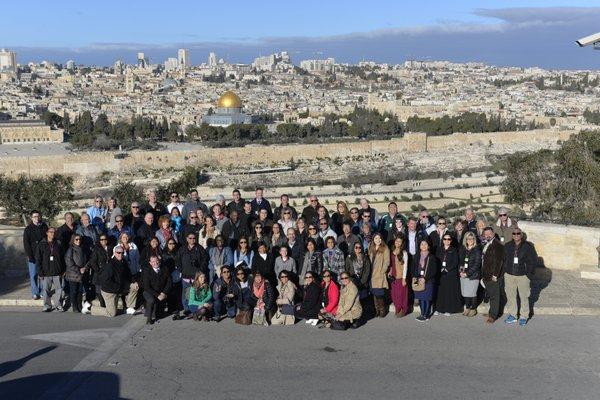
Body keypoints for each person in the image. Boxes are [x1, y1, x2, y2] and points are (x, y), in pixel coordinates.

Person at [503, 228, 537, 326]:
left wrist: (528, 274)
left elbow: (533, 261)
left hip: (523, 276)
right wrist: (505, 270)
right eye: (514, 233)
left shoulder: (528, 247)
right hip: (509, 275)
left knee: (524, 297)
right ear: (512, 235)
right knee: (510, 296)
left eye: (518, 233)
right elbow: (504, 259)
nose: (516, 235)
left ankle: (524, 316)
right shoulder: (507, 246)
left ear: (521, 235)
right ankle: (513, 315)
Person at [99, 245, 137, 317]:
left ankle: (129, 307)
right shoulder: (110, 265)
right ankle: (90, 308)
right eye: (118, 253)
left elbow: (129, 275)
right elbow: (105, 281)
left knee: (135, 286)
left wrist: (134, 281)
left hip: (119, 287)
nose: (120, 254)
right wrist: (117, 288)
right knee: (111, 313)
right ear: (114, 253)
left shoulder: (124, 262)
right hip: (109, 291)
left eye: (122, 253)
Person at [178, 233, 209, 316]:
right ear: (187, 239)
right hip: (186, 276)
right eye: (190, 238)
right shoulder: (182, 249)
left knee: (197, 293)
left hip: (196, 277)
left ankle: (195, 309)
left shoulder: (200, 248)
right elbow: (178, 261)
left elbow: (205, 260)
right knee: (185, 293)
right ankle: (186, 309)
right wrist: (182, 270)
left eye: (194, 238)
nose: (192, 240)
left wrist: (201, 270)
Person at [35, 227, 64, 312]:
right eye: (51, 232)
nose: (53, 234)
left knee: (59, 289)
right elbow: (38, 259)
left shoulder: (58, 243)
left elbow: (63, 257)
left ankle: (58, 305)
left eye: (54, 232)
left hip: (57, 271)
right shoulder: (41, 244)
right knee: (46, 290)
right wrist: (40, 272)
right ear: (47, 233)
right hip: (45, 272)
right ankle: (47, 306)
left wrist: (63, 270)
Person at [434, 233, 463, 315]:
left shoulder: (453, 250)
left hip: (450, 274)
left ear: (451, 241)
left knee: (449, 292)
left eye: (448, 239)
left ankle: (448, 309)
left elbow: (455, 261)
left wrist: (447, 269)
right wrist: (440, 269)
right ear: (442, 240)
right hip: (440, 274)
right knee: (440, 292)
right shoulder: (439, 249)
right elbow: (436, 260)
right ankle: (439, 309)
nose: (447, 241)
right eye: (445, 239)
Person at [481, 227, 505, 324]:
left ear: (493, 234)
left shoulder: (497, 245)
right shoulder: (488, 244)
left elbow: (499, 261)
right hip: (487, 274)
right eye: (485, 234)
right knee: (491, 294)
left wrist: (495, 275)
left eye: (489, 234)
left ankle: (493, 316)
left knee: (495, 295)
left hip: (493, 275)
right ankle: (492, 312)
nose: (487, 235)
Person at [23, 210, 47, 299]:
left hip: (43, 255)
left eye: (38, 216)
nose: (37, 218)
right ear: (31, 218)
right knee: (33, 275)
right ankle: (35, 292)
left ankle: (42, 291)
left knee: (42, 274)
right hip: (33, 255)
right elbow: (26, 244)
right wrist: (30, 256)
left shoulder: (44, 226)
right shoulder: (28, 229)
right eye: (34, 216)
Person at [412, 239, 438, 322]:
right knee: (420, 298)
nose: (423, 246)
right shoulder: (416, 256)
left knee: (426, 298)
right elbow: (413, 268)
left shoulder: (432, 257)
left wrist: (425, 278)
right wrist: (415, 278)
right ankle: (422, 313)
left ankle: (426, 315)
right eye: (422, 244)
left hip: (428, 281)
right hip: (418, 280)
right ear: (419, 246)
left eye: (425, 244)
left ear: (428, 246)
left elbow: (434, 270)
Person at [115, 232, 140, 314]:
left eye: (126, 236)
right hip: (124, 271)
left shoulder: (134, 245)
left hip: (133, 270)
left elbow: (137, 258)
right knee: (124, 289)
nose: (125, 238)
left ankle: (130, 306)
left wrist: (138, 270)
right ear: (120, 238)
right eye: (123, 237)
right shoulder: (117, 247)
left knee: (133, 287)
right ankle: (125, 306)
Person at [142, 255, 171, 324]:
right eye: (153, 261)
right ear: (150, 263)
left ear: (159, 261)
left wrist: (164, 293)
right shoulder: (147, 271)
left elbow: (169, 282)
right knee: (151, 300)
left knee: (160, 315)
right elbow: (146, 286)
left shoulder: (165, 269)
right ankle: (149, 319)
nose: (155, 263)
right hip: (149, 291)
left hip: (161, 292)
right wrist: (158, 295)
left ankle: (154, 312)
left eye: (157, 261)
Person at [64, 234, 89, 314]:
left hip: (81, 274)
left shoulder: (82, 249)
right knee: (74, 291)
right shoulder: (70, 250)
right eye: (76, 239)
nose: (78, 241)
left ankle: (79, 306)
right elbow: (69, 262)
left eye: (79, 239)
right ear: (73, 240)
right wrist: (78, 269)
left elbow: (86, 260)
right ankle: (74, 307)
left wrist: (85, 268)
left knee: (80, 291)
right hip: (73, 274)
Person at [459, 232, 482, 317]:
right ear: (466, 240)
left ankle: (473, 309)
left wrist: (467, 274)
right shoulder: (463, 249)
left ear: (474, 240)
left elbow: (477, 264)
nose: (470, 240)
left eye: (472, 238)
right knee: (465, 293)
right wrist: (461, 271)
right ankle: (467, 307)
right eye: (468, 238)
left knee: (472, 293)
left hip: (473, 276)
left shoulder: (477, 249)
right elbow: (461, 262)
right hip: (463, 274)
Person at [369, 233, 390, 318]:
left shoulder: (385, 248)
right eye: (376, 238)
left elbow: (387, 262)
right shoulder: (371, 248)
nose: (377, 240)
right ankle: (376, 310)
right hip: (371, 274)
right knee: (374, 293)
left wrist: (382, 271)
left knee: (379, 293)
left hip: (379, 273)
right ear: (373, 239)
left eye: (379, 238)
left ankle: (382, 310)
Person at [89, 234, 112, 308]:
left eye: (105, 239)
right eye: (101, 239)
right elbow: (93, 262)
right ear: (99, 241)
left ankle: (107, 304)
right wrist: (98, 271)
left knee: (106, 289)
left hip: (108, 272)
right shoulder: (96, 249)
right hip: (99, 273)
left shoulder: (110, 248)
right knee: (99, 290)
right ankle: (102, 305)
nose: (103, 241)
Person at [389, 235, 409, 317]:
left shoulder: (404, 253)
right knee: (394, 294)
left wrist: (404, 278)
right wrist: (390, 271)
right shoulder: (392, 250)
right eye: (396, 241)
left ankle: (403, 310)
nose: (397, 242)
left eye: (399, 241)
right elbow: (391, 263)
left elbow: (405, 266)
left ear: (402, 243)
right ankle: (397, 308)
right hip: (393, 276)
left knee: (401, 294)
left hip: (400, 277)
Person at [162, 238, 182, 317]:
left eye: (173, 243)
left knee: (177, 292)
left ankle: (176, 308)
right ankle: (170, 308)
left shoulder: (178, 252)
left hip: (176, 274)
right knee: (169, 292)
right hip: (168, 274)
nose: (172, 245)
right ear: (167, 244)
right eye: (170, 243)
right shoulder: (164, 253)